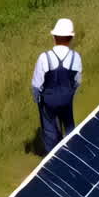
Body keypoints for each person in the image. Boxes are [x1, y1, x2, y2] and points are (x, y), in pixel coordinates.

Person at [31, 18, 83, 153]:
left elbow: (36, 85)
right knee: (69, 126)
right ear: (71, 38)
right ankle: (72, 151)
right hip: (67, 99)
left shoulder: (44, 57)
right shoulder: (75, 57)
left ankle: (54, 156)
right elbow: (77, 81)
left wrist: (40, 102)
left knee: (50, 133)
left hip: (48, 101)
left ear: (54, 37)